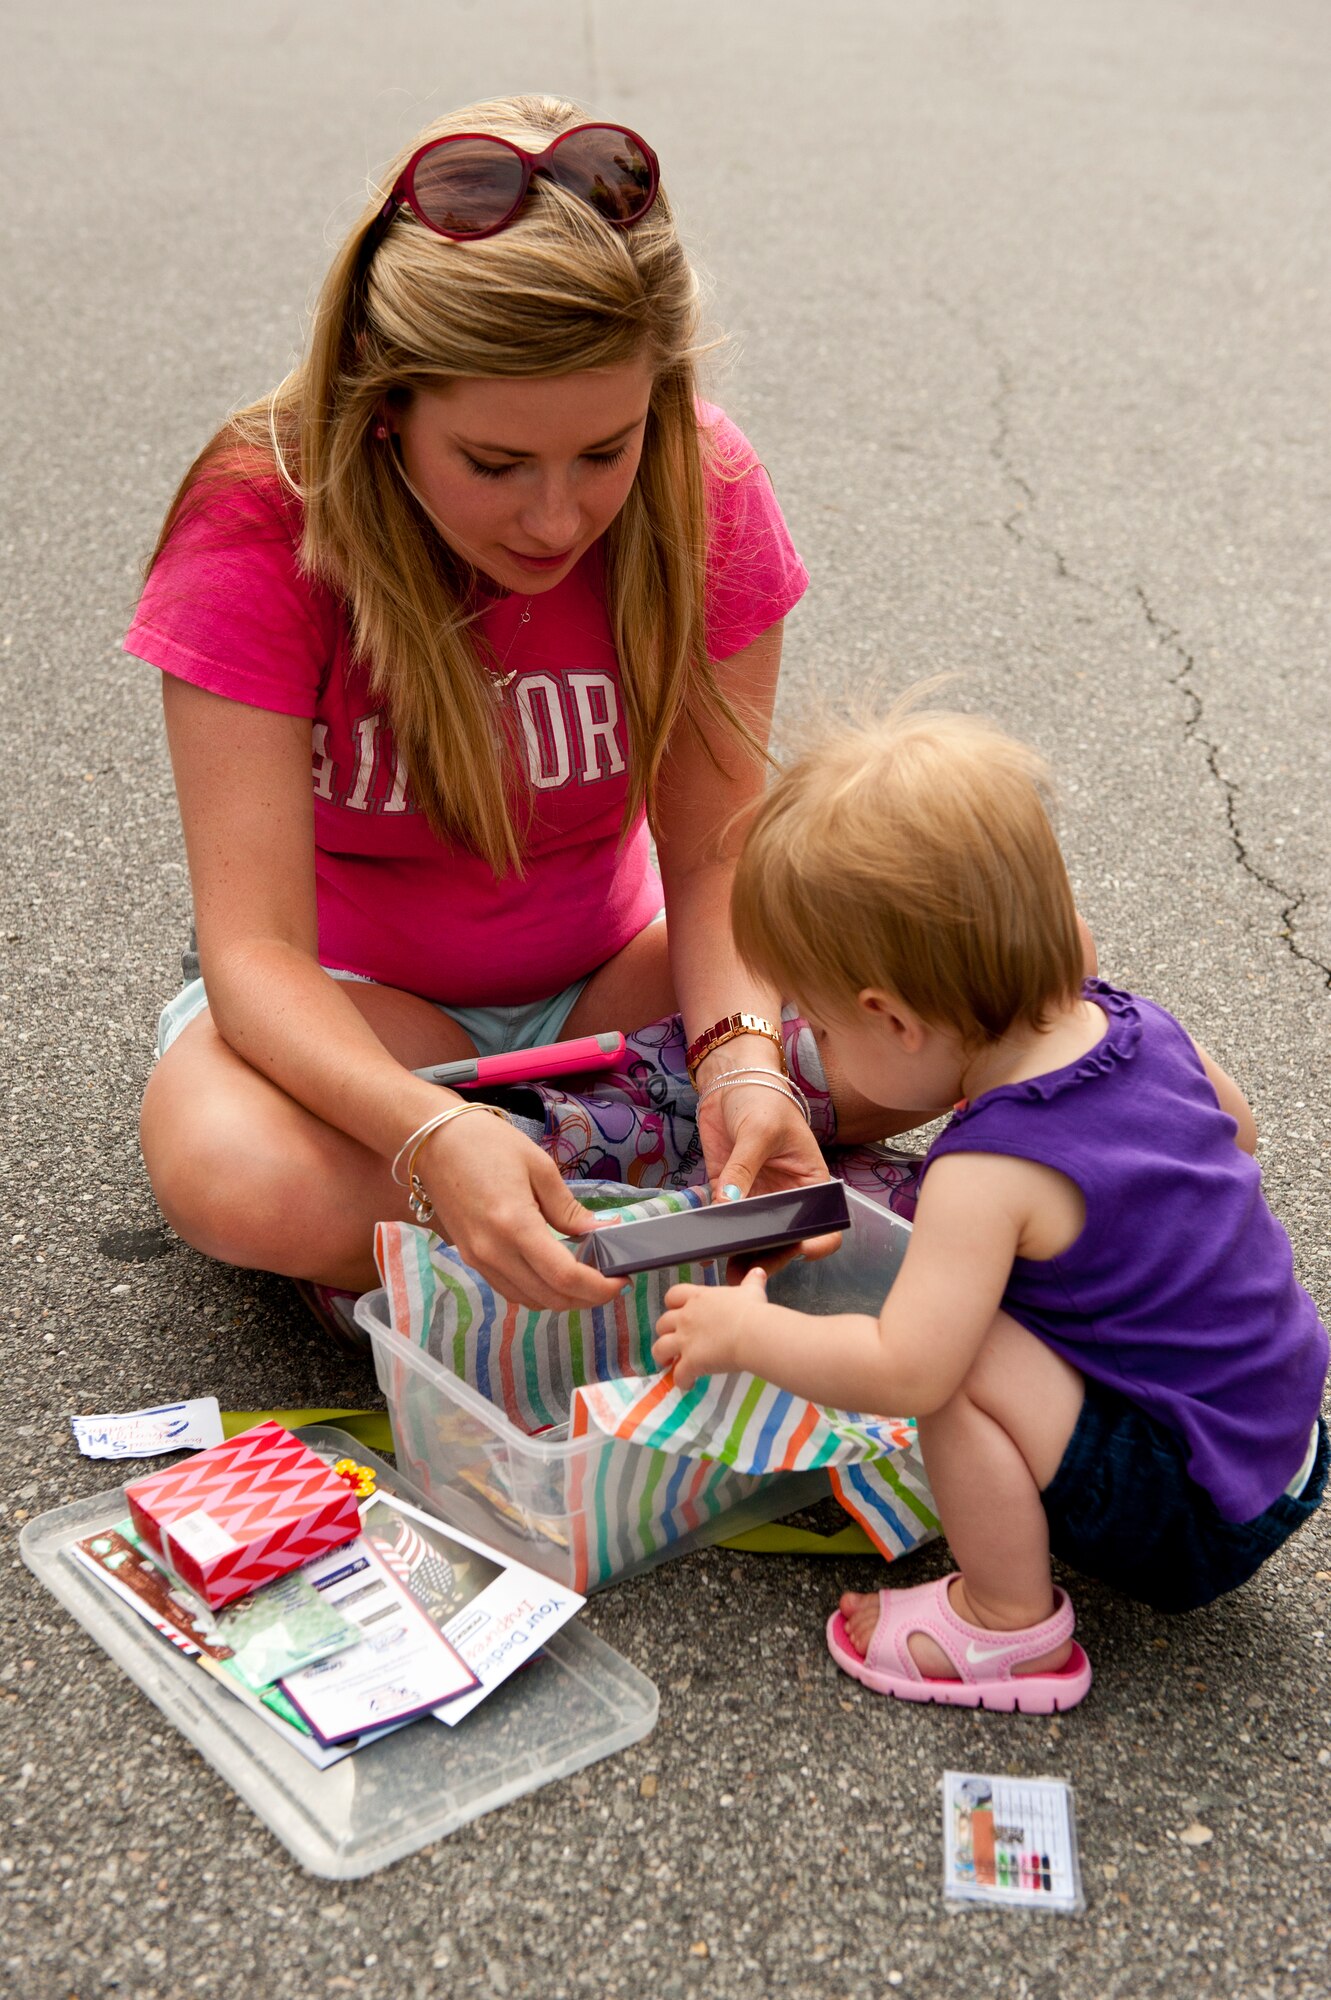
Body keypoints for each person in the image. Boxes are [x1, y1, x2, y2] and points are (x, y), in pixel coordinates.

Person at [128, 95, 896, 1331]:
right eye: (493, 464)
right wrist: (428, 1127)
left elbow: (712, 857)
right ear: (383, 405)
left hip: (621, 990)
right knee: (230, 1170)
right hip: (365, 1010)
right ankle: (633, 1202)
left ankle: (497, 1237)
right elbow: (256, 953)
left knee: (990, 967)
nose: (554, 519)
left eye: (605, 450)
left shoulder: (707, 486)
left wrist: (742, 1053)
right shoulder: (259, 516)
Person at [653, 702, 1329, 1713]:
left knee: (955, 1351)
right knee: (977, 1309)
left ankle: (1004, 1624)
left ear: (892, 1017)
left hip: (1195, 1509)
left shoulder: (988, 1166)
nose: (829, 1052)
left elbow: (903, 1368)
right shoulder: (1134, 1024)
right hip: (1286, 1445)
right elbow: (1234, 1136)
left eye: (828, 1028)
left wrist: (745, 1330)